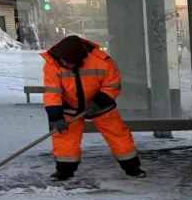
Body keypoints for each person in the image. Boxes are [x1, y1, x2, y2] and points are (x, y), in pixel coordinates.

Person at [41, 35, 144, 180]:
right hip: (69, 104)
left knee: (117, 134)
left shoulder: (102, 61)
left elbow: (112, 85)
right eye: (64, 61)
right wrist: (56, 117)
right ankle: (64, 170)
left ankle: (132, 167)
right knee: (64, 137)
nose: (66, 64)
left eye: (70, 62)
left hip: (100, 104)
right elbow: (52, 93)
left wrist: (98, 102)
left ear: (80, 59)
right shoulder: (52, 64)